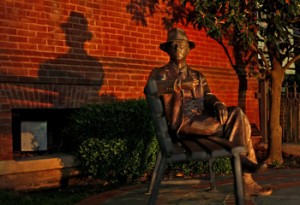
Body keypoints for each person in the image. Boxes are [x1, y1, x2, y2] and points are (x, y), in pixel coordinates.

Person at [147, 28, 272, 196]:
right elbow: (151, 88)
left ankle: (245, 169)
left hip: (200, 121)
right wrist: (179, 85)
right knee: (239, 124)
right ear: (168, 49)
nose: (178, 49)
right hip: (181, 123)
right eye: (174, 45)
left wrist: (218, 104)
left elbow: (208, 95)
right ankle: (246, 174)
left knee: (236, 112)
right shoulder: (161, 73)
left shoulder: (198, 75)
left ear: (188, 49)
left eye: (182, 45)